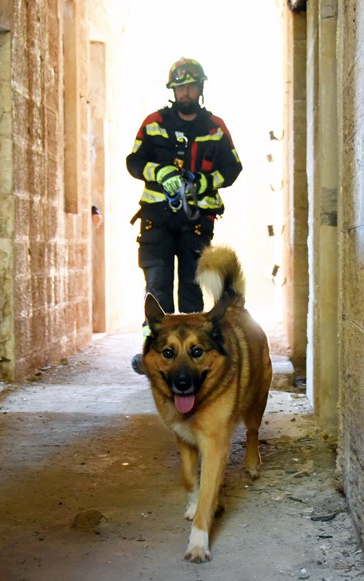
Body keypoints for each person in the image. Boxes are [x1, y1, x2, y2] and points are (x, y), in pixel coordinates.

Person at [126, 57, 243, 374]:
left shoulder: (214, 127)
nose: (186, 92)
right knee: (157, 287)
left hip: (197, 222)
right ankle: (153, 352)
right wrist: (161, 172)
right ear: (173, 91)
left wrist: (203, 182)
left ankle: (193, 354)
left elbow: (233, 168)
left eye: (191, 86)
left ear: (200, 89)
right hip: (157, 220)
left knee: (192, 289)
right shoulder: (154, 123)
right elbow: (134, 162)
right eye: (180, 88)